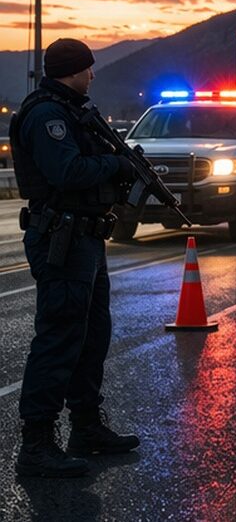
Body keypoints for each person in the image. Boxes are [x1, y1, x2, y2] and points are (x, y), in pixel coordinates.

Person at [11, 39, 139, 478]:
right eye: (89, 68)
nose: (93, 75)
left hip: (85, 236)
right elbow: (65, 172)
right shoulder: (48, 115)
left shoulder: (72, 110)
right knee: (59, 337)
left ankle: (86, 427)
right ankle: (37, 444)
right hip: (61, 239)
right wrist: (112, 165)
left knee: (92, 334)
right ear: (73, 70)